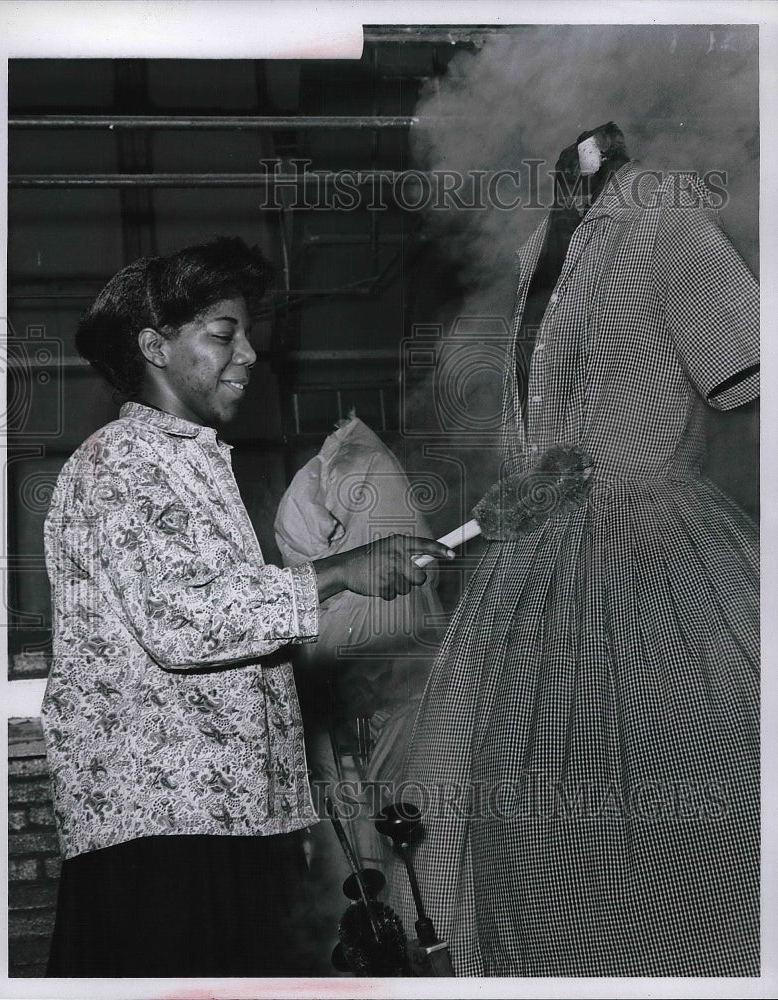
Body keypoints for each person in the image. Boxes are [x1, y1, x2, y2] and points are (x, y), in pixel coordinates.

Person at [391, 124, 760, 976]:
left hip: (657, 558)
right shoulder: (538, 246)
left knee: (688, 802)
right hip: (534, 572)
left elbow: (743, 365)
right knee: (509, 818)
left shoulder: (668, 215)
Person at [41, 236, 452, 977]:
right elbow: (183, 621)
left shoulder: (189, 462)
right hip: (164, 826)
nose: (249, 353)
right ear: (154, 347)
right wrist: (338, 571)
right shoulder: (125, 462)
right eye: (223, 335)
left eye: (247, 335)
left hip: (220, 818)